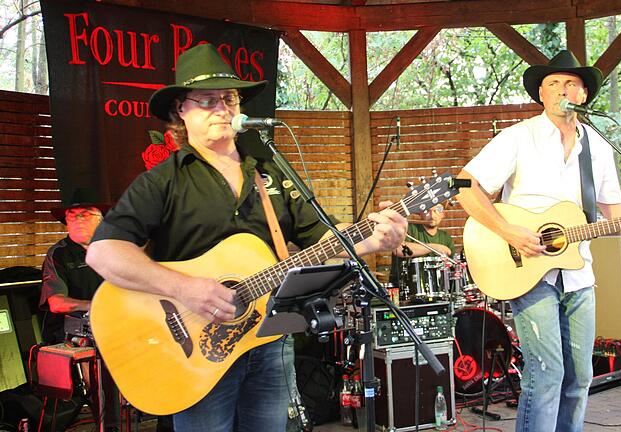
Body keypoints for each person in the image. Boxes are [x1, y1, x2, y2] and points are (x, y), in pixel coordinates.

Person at [85, 44, 406, 432]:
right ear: (180, 112)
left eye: (230, 98)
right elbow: (103, 253)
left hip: (269, 341)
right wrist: (185, 289)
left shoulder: (269, 170)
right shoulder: (164, 180)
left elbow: (325, 238)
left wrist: (373, 239)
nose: (222, 107)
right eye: (206, 100)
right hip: (193, 355)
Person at [456, 50, 621, 432]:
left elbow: (610, 208)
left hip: (578, 274)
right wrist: (508, 230)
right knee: (546, 375)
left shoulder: (598, 145)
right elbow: (463, 185)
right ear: (541, 94)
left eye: (571, 83)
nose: (563, 89)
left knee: (580, 378)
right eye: (554, 83)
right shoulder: (518, 137)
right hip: (528, 272)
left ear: (584, 95)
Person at [39, 188, 120, 431]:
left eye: (85, 214)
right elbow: (56, 302)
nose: (77, 219)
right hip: (75, 331)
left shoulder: (115, 250)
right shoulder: (59, 254)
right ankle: (111, 424)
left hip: (119, 323)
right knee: (104, 363)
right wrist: (95, 306)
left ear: (101, 221)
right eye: (72, 215)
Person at [389, 203, 455, 289]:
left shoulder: (446, 237)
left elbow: (454, 266)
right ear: (420, 213)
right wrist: (434, 247)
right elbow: (398, 248)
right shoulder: (410, 229)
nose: (432, 215)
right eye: (427, 210)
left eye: (437, 211)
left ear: (443, 214)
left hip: (439, 290)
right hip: (406, 289)